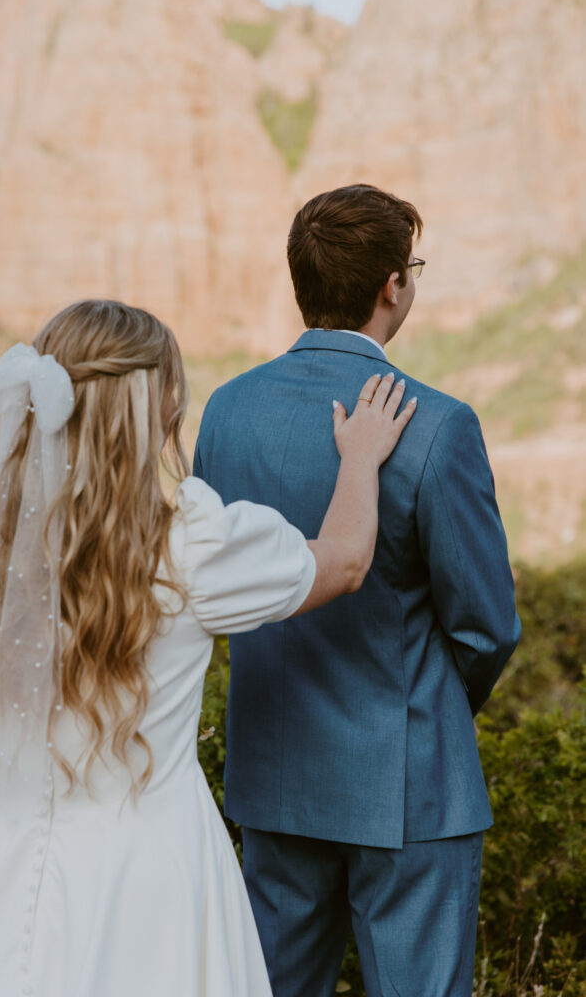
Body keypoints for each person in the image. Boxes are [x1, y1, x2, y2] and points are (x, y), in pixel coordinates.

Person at [0, 299, 415, 997]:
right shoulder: (192, 548)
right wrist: (358, 459)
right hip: (148, 874)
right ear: (158, 406)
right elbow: (346, 560)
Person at [193, 184, 522, 997]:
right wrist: (426, 710)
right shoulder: (438, 425)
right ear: (391, 286)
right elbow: (487, 627)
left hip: (272, 777)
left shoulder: (224, 414)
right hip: (410, 788)